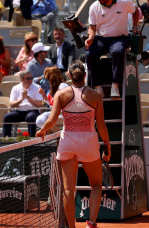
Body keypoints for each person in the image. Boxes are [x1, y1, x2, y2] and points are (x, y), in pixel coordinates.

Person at [36, 62, 110, 228]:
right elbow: (102, 125)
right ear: (85, 75)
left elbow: (52, 120)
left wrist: (42, 131)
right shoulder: (96, 95)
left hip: (67, 141)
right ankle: (91, 223)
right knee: (96, 185)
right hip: (89, 142)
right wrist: (107, 144)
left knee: (68, 189)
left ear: (69, 76)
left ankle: (71, 226)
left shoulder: (61, 95)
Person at [85, 0, 140, 98]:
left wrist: (135, 25)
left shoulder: (124, 2)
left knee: (118, 51)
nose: (100, 1)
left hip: (120, 37)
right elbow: (92, 28)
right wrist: (90, 38)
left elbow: (136, 11)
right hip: (101, 38)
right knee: (89, 54)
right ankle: (97, 87)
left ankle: (115, 86)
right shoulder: (94, 6)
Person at [2, 70, 43, 137]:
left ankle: (32, 140)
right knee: (7, 117)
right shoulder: (15, 88)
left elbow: (39, 104)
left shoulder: (37, 87)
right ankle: (6, 139)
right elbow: (11, 105)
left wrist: (28, 97)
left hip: (32, 111)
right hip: (19, 111)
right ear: (22, 79)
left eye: (31, 78)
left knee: (31, 117)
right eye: (28, 78)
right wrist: (21, 99)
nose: (30, 80)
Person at [35, 66, 68, 130]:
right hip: (54, 112)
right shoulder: (54, 87)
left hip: (63, 113)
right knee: (40, 120)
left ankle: (59, 137)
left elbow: (63, 104)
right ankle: (57, 135)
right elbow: (52, 103)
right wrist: (44, 95)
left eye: (48, 78)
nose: (48, 81)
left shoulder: (63, 86)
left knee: (46, 121)